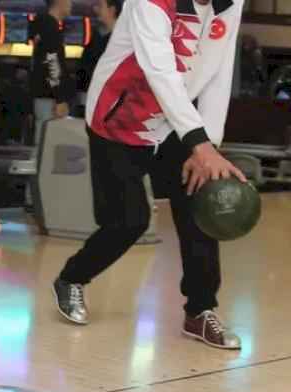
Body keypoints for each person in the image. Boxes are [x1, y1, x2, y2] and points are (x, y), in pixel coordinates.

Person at [52, 0, 247, 350]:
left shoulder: (230, 3)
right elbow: (159, 69)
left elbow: (220, 69)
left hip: (177, 122)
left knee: (197, 209)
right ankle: (71, 278)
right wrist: (199, 142)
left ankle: (200, 310)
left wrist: (209, 146)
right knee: (129, 220)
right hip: (118, 116)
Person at [28, 0, 74, 145]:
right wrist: (60, 97)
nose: (71, 4)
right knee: (47, 144)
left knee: (44, 140)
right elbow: (52, 61)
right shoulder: (49, 27)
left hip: (44, 94)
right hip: (50, 97)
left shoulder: (43, 25)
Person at [75, 0, 122, 116]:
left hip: (109, 105)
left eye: (100, 6)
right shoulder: (97, 37)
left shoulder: (122, 40)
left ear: (112, 10)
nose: (96, 10)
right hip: (88, 101)